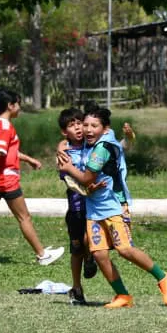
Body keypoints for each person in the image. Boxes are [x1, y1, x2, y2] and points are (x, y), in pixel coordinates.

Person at [58, 105, 167, 308]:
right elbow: (69, 143)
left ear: (105, 129)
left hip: (115, 206)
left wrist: (69, 168)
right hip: (94, 209)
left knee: (124, 249)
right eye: (85, 125)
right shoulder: (88, 141)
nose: (87, 130)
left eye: (93, 126)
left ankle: (164, 277)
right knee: (99, 253)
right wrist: (61, 146)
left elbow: (86, 178)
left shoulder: (102, 148)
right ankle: (123, 295)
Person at [0, 88, 64, 269]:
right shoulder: (6, 126)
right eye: (18, 104)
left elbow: (8, 151)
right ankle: (42, 255)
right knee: (24, 218)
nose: (20, 108)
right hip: (5, 180)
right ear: (10, 105)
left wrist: (29, 159)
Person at [55, 107, 96, 305]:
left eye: (80, 123)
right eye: (72, 125)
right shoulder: (64, 153)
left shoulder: (92, 144)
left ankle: (90, 258)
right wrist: (85, 188)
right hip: (76, 207)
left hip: (94, 205)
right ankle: (76, 287)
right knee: (76, 249)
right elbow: (68, 179)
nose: (78, 128)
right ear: (65, 132)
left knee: (90, 237)